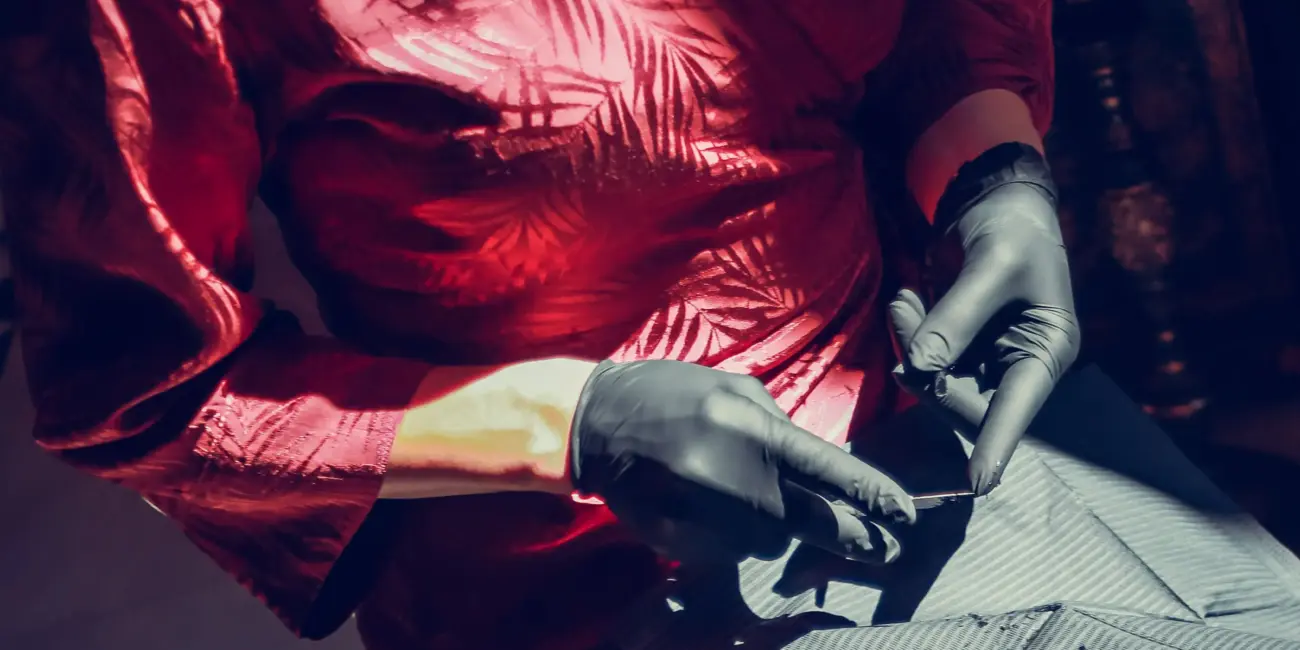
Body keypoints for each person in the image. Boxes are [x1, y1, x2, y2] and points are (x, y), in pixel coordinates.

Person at [0, 1, 1078, 649]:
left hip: (936, 456)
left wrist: (987, 166)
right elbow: (145, 388)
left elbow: (933, 24)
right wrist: (572, 424)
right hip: (584, 580)